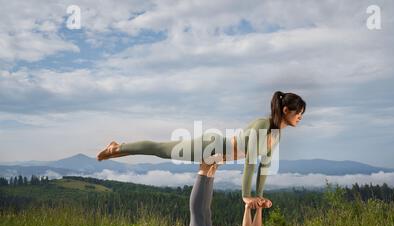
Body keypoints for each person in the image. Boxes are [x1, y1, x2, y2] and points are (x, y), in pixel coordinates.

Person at [96, 91, 306, 209]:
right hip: (210, 146)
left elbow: (264, 167)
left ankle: (117, 148)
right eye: (299, 113)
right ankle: (117, 147)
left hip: (217, 157)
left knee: (162, 151)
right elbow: (251, 161)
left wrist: (258, 197)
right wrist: (245, 195)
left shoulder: (277, 135)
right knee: (160, 149)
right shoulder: (262, 124)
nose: (300, 117)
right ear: (286, 110)